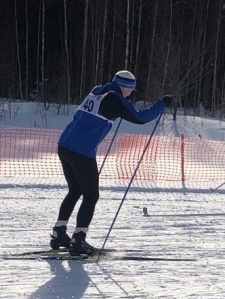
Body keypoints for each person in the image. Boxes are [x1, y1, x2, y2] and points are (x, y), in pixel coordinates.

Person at [52, 71, 170, 257]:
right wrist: (161, 104)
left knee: (75, 190)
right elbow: (140, 118)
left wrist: (125, 101)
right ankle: (79, 239)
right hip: (81, 151)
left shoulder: (98, 90)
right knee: (91, 195)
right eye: (130, 91)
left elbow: (113, 108)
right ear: (125, 87)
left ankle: (59, 232)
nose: (131, 94)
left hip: (65, 145)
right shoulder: (114, 98)